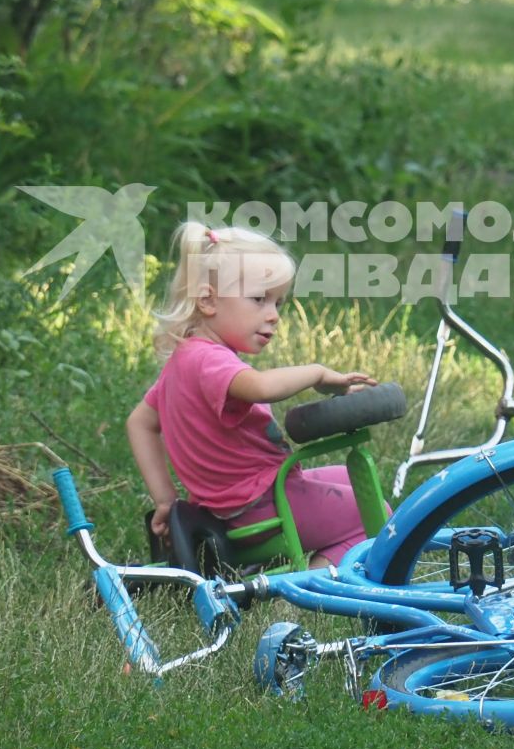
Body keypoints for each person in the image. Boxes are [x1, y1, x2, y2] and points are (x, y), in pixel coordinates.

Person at [127, 221, 377, 568]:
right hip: (253, 506)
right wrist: (317, 373)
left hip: (241, 499)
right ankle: (312, 591)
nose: (273, 316)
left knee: (359, 478)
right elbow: (261, 387)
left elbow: (139, 422)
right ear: (208, 301)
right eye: (259, 299)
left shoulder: (185, 360)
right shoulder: (209, 360)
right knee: (374, 511)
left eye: (278, 302)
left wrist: (166, 500)